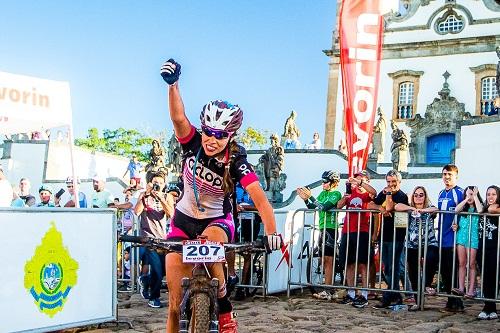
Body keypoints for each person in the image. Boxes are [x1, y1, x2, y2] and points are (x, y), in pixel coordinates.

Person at [160, 58, 281, 333]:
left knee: (211, 243)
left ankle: (224, 307)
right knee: (174, 306)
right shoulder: (192, 143)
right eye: (208, 133)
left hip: (217, 220)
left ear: (231, 136)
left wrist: (272, 232)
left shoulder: (237, 160)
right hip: (183, 219)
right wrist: (173, 85)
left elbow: (260, 199)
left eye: (220, 135)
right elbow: (178, 118)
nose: (212, 140)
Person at [296, 170, 342, 300]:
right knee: (323, 259)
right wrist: (306, 199)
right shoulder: (323, 193)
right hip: (322, 228)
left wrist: (311, 197)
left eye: (325, 182)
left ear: (333, 183)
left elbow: (324, 207)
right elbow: (313, 207)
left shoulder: (336, 193)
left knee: (328, 261)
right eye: (322, 181)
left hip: (331, 228)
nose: (323, 184)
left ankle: (328, 290)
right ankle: (329, 288)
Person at [336, 171, 377, 308]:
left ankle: (364, 294)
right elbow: (339, 206)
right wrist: (345, 195)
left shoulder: (367, 194)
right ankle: (351, 292)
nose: (357, 182)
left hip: (362, 231)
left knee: (363, 263)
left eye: (361, 179)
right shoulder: (351, 192)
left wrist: (360, 183)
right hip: (348, 231)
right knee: (349, 263)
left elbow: (374, 192)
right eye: (356, 179)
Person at [134, 171, 175, 308]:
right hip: (148, 238)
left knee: (163, 270)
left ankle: (145, 280)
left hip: (162, 239)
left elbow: (171, 214)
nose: (158, 185)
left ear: (165, 185)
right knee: (157, 269)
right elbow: (137, 211)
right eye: (155, 183)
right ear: (150, 183)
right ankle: (154, 297)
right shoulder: (144, 196)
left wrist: (161, 199)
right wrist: (146, 195)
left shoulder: (167, 196)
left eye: (160, 183)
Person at [395, 186, 439, 310]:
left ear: (425, 196)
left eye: (421, 195)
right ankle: (417, 300)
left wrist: (423, 211)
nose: (418, 197)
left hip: (429, 242)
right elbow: (397, 206)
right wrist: (412, 208)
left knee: (431, 257)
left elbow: (436, 209)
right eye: (416, 195)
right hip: (411, 244)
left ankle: (427, 284)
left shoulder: (429, 209)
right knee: (413, 272)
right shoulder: (409, 210)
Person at [371, 169, 410, 309]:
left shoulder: (401, 196)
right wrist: (380, 209)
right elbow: (371, 205)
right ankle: (396, 295)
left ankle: (391, 296)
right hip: (385, 235)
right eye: (388, 182)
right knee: (387, 268)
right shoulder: (384, 192)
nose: (391, 184)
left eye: (393, 182)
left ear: (399, 182)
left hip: (397, 236)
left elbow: (389, 206)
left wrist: (387, 197)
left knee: (394, 267)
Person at [437, 164, 464, 312]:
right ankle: (449, 299)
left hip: (453, 238)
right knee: (445, 271)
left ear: (456, 176)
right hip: (442, 238)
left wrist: (458, 225)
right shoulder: (441, 193)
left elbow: (465, 211)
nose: (447, 177)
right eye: (445, 174)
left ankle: (458, 302)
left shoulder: (459, 192)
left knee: (453, 271)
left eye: (450, 175)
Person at [452, 186, 483, 298]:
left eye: (471, 194)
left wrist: (474, 196)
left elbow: (480, 211)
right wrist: (466, 199)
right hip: (461, 237)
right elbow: (456, 209)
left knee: (471, 264)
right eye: (467, 194)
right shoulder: (463, 208)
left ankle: (471, 290)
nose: (469, 197)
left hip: (473, 238)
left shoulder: (478, 207)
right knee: (461, 263)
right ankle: (461, 288)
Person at [477, 185, 500, 320]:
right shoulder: (483, 209)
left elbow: (492, 209)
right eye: (488, 194)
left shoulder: (495, 209)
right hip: (483, 247)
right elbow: (483, 209)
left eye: (493, 194)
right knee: (485, 278)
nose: (490, 197)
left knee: (494, 277)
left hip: (495, 248)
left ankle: (492, 308)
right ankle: (488, 307)